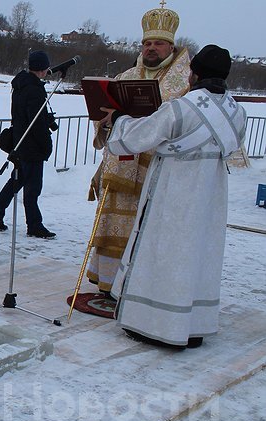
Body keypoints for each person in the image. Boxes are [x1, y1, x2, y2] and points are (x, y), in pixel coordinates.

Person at [100, 44, 246, 349]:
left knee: (164, 254)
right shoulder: (237, 111)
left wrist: (119, 120)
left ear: (193, 74)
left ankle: (154, 325)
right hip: (210, 199)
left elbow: (140, 136)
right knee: (199, 257)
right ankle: (192, 327)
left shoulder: (182, 107)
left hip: (174, 195)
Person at [84, 2, 190, 295]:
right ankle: (108, 284)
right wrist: (104, 122)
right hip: (120, 166)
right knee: (111, 227)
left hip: (154, 171)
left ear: (171, 46)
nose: (151, 48)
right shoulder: (125, 77)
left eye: (158, 43)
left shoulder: (184, 83)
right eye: (146, 43)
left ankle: (138, 287)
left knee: (145, 229)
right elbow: (104, 122)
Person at [0, 50, 56, 239]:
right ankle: (34, 225)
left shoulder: (21, 85)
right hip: (31, 145)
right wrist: (46, 144)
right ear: (43, 68)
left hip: (19, 140)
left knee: (16, 181)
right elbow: (35, 121)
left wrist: (45, 118)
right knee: (32, 187)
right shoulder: (34, 89)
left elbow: (25, 115)